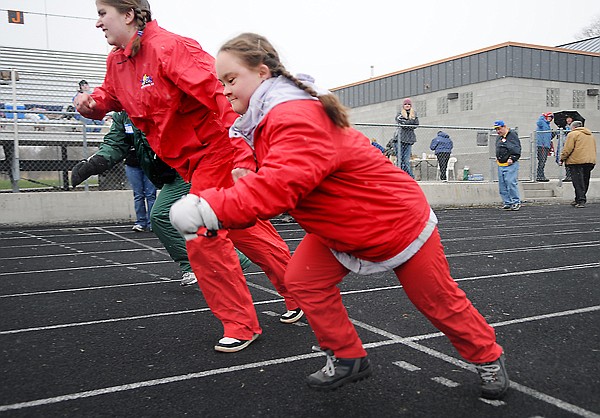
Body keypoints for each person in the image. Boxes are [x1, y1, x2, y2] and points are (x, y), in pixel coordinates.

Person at [170, 32, 510, 400]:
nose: (224, 90)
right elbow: (275, 178)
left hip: (393, 221)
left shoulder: (292, 116)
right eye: (220, 82)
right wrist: (243, 187)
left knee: (437, 301)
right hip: (341, 223)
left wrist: (209, 208)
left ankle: (487, 356)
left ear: (263, 73)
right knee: (302, 280)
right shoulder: (263, 120)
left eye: (231, 79)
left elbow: (277, 187)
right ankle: (348, 357)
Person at [75, 0, 303, 352]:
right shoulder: (116, 61)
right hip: (187, 163)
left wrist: (245, 153)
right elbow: (113, 95)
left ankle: (240, 324)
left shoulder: (170, 48)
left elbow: (221, 95)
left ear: (129, 13)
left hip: (217, 152)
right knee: (246, 231)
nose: (98, 24)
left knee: (202, 233)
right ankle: (302, 292)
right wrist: (94, 104)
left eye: (103, 14)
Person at [71, 111, 251, 285]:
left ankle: (220, 262)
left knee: (162, 215)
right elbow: (116, 144)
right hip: (172, 171)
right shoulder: (123, 114)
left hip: (191, 165)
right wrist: (96, 162)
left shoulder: (154, 96)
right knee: (192, 216)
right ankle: (221, 262)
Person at [559, 120, 597, 208]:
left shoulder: (573, 134)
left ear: (574, 127)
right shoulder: (590, 135)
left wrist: (562, 158)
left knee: (578, 182)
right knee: (585, 180)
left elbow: (568, 148)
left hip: (576, 161)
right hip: (589, 161)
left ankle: (581, 200)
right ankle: (579, 198)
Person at [493, 120, 521, 211]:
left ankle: (515, 202)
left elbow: (516, 148)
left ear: (504, 127)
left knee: (510, 182)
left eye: (499, 129)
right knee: (502, 184)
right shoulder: (499, 137)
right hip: (501, 164)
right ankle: (507, 202)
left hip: (510, 164)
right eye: (496, 129)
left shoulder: (512, 135)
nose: (498, 131)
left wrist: (513, 158)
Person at [394, 98, 419, 178]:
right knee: (400, 160)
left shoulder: (414, 114)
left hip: (409, 140)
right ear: (403, 106)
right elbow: (403, 123)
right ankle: (402, 176)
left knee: (406, 160)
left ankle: (409, 177)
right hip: (399, 140)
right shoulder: (399, 114)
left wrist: (408, 123)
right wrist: (410, 123)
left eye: (408, 104)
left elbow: (416, 124)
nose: (407, 105)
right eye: (405, 104)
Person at [535, 112, 553, 182]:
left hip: (546, 145)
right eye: (549, 117)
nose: (550, 118)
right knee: (541, 161)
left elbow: (549, 136)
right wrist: (542, 116)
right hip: (542, 145)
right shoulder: (542, 123)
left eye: (551, 117)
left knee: (543, 161)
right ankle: (540, 175)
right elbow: (538, 123)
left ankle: (541, 175)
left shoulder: (547, 125)